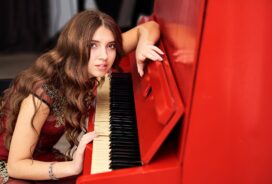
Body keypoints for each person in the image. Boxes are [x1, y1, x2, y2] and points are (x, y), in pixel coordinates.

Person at [0, 9, 163, 183]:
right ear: (76, 46)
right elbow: (15, 166)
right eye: (93, 45)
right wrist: (71, 167)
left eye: (111, 46)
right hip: (7, 163)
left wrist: (143, 45)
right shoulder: (44, 93)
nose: (104, 56)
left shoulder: (95, 60)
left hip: (38, 155)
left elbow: (150, 27)